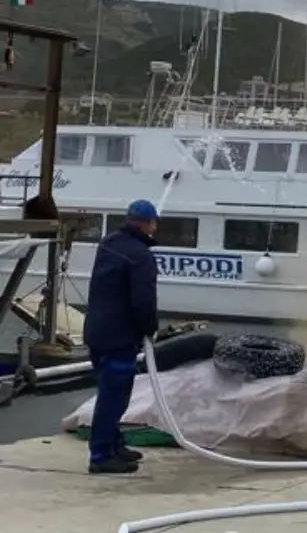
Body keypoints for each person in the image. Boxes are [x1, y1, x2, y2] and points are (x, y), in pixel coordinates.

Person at [83, 199, 161, 474]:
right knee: (114, 397)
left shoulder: (108, 244)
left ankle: (114, 444)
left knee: (109, 392)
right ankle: (102, 455)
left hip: (96, 330)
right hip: (120, 336)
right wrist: (150, 328)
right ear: (149, 223)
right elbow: (143, 301)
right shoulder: (140, 256)